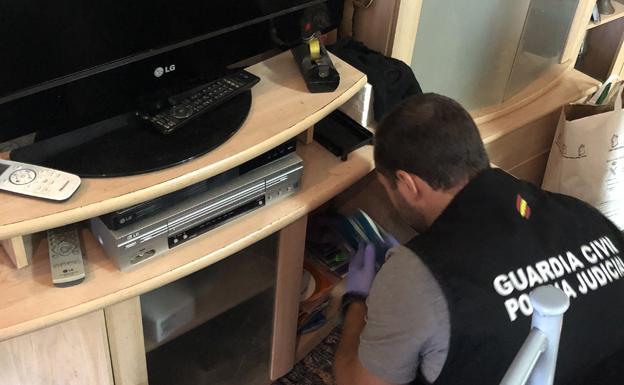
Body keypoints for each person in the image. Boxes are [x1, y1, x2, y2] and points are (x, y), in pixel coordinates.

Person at [334, 93, 624, 385]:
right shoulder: (582, 214)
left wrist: (357, 303)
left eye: (388, 188)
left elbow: (358, 383)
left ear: (408, 184)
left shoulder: (415, 275)